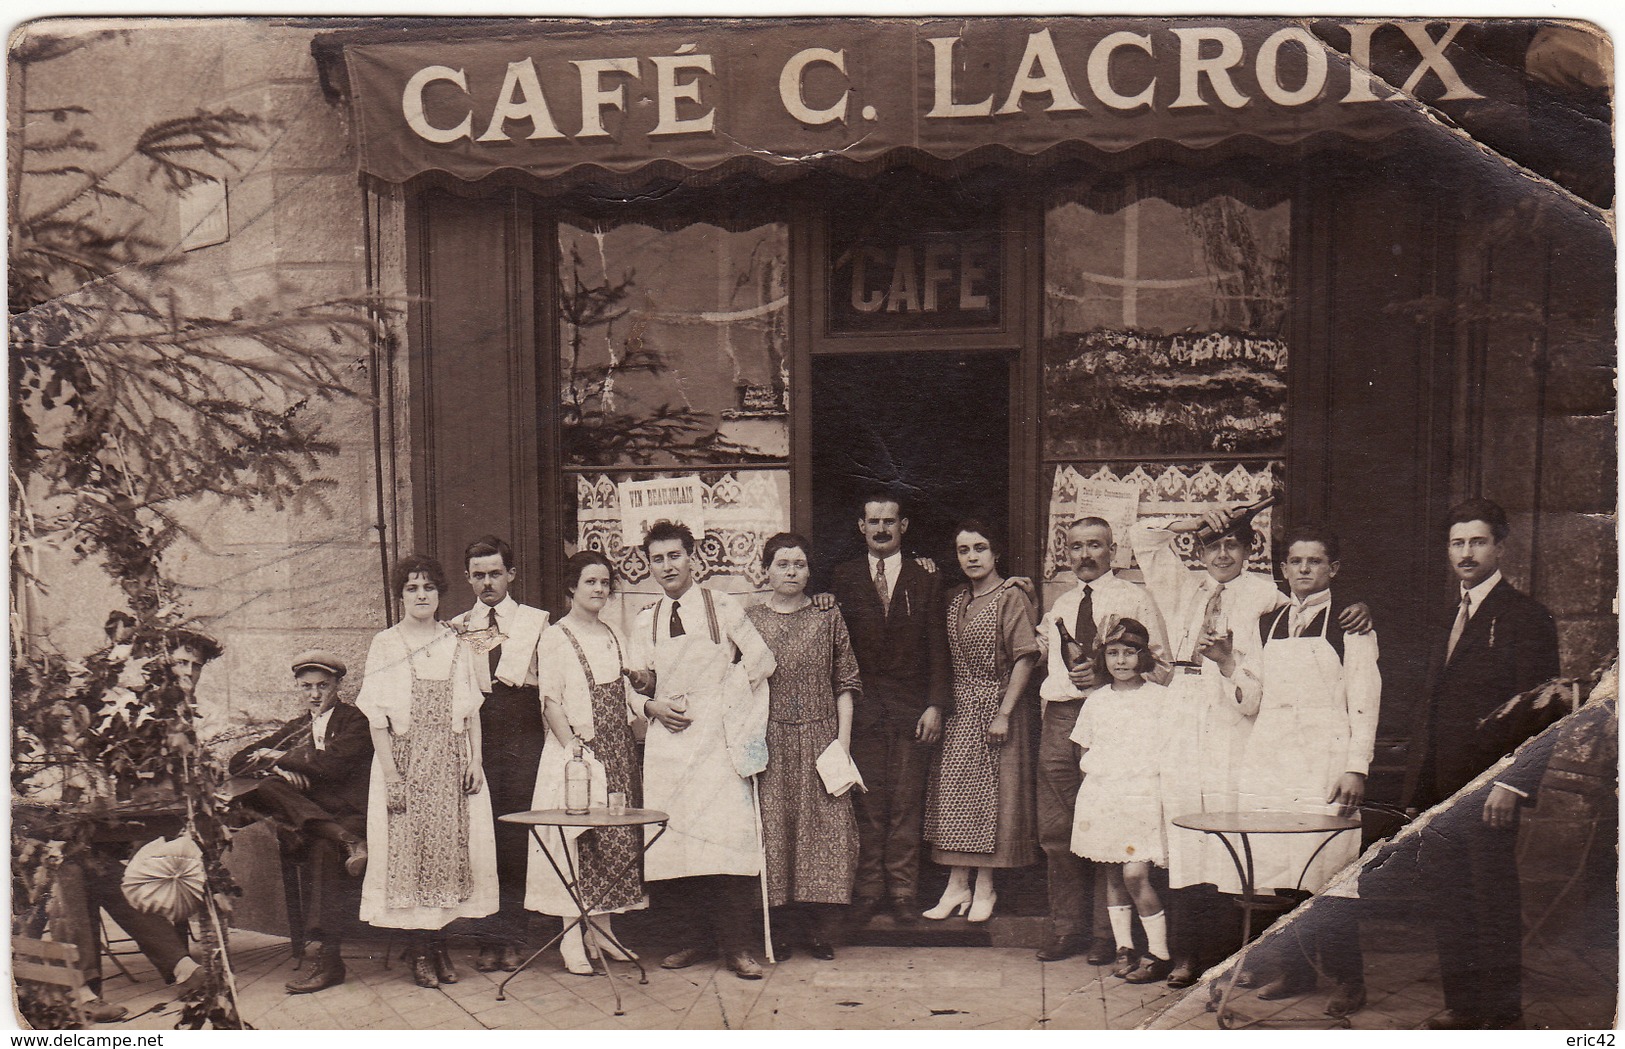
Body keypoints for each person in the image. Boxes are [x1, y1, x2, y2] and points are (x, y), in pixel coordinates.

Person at [1129, 507, 1371, 987]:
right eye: (1212, 544)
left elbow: (1318, 608)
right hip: (1184, 711)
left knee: (1232, 844)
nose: (1221, 553)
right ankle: (1186, 953)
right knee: (1184, 834)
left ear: (1250, 551)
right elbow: (1141, 537)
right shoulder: (1187, 587)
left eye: (1232, 544)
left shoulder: (1268, 598)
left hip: (1236, 722)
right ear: (1198, 550)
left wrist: (1364, 608)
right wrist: (1190, 522)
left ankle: (1233, 958)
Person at [1400, 499, 1560, 1030]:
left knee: (1491, 898)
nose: (1466, 553)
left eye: (1477, 542)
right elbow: (1431, 701)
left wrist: (1513, 784)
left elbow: (1547, 710)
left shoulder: (1526, 618)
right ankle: (1463, 1007)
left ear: (1500, 546)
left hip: (1490, 788)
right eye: (1457, 543)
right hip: (1440, 786)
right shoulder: (1445, 616)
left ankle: (1500, 1014)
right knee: (1450, 896)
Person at [1211, 525, 1380, 1017]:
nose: (1304, 569)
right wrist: (1226, 665)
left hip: (1324, 762)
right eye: (1296, 562)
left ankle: (1350, 978)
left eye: (1315, 561)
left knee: (1332, 870)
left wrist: (1356, 767)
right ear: (1282, 570)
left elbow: (1365, 699)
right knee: (1281, 867)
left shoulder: (1350, 622)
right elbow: (1252, 701)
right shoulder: (1268, 622)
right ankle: (1297, 969)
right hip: (1273, 760)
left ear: (1333, 569)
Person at [629, 521, 776, 980]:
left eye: (675, 555)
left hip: (717, 743)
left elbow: (761, 661)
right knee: (677, 843)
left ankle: (738, 947)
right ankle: (690, 941)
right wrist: (649, 703)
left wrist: (729, 701)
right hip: (669, 747)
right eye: (658, 559)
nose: (667, 566)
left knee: (727, 842)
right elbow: (632, 684)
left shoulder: (723, 606)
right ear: (649, 565)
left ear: (693, 558)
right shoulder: (644, 619)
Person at [356, 555, 498, 988]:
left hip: (453, 762)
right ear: (401, 595)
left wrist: (475, 761)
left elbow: (473, 711)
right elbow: (376, 719)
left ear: (440, 595)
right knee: (410, 856)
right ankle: (419, 949)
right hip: (403, 762)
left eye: (429, 588)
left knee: (449, 853)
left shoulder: (457, 641)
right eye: (413, 588)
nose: (422, 596)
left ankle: (437, 944)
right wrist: (392, 776)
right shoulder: (386, 643)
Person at [1035, 518, 1169, 964]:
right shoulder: (1060, 603)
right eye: (1076, 547)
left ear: (1114, 551)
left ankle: (1104, 936)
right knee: (1058, 827)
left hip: (1115, 716)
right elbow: (1037, 652)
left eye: (1095, 546)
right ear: (1065, 553)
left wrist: (1109, 674)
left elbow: (1163, 667)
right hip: (1060, 716)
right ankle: (1066, 928)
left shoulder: (1136, 598)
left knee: (1109, 825)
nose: (1085, 555)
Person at [524, 551, 646, 976]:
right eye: (590, 582)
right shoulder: (556, 637)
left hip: (617, 751)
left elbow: (629, 695)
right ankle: (571, 939)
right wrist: (574, 749)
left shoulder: (614, 635)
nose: (599, 589)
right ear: (571, 587)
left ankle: (603, 933)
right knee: (574, 843)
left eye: (604, 582)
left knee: (610, 845)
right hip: (576, 755)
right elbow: (550, 702)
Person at [831, 493, 950, 926]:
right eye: (873, 521)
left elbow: (940, 645)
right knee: (867, 804)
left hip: (910, 710)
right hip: (861, 712)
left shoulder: (927, 577)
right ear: (861, 526)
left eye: (890, 521)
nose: (882, 528)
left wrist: (936, 704)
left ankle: (902, 891)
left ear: (904, 526)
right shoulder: (841, 579)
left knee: (905, 803)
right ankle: (867, 890)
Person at [227, 650, 372, 994]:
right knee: (271, 786)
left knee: (316, 842)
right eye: (306, 687)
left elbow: (332, 767)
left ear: (338, 685)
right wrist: (281, 766)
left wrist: (286, 759)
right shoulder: (295, 729)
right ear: (298, 688)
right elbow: (238, 762)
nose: (315, 694)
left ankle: (328, 958)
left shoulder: (355, 721)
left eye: (323, 685)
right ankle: (345, 842)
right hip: (322, 825)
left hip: (349, 814)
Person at [746, 533, 862, 961]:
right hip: (770, 738)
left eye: (798, 564)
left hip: (820, 738)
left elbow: (845, 683)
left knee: (825, 831)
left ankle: (819, 930)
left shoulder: (828, 618)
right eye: (782, 564)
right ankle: (781, 928)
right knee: (775, 830)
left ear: (810, 570)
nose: (791, 571)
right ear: (766, 570)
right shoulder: (751, 620)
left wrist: (842, 746)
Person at [921, 520, 1040, 922]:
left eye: (980, 548)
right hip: (961, 709)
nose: (972, 557)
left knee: (994, 799)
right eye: (963, 550)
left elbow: (1025, 656)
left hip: (998, 707)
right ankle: (956, 887)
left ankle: (986, 888)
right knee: (957, 798)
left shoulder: (1011, 596)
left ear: (996, 553)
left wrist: (1004, 713)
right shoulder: (956, 599)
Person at [448, 535, 551, 973]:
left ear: (511, 574)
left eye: (494, 573)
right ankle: (486, 937)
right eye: (478, 575)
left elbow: (551, 684)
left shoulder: (534, 623)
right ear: (467, 578)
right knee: (479, 838)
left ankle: (512, 935)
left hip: (522, 733)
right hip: (476, 736)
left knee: (514, 838)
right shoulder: (457, 626)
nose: (487, 582)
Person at [1069, 619, 1173, 983]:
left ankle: (1159, 953)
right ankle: (1124, 947)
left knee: (1135, 873)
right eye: (1113, 653)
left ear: (1143, 657)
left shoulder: (1160, 698)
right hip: (1105, 797)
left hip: (1144, 796)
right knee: (1113, 874)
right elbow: (1085, 749)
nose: (1121, 661)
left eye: (1130, 653)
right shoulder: (1096, 701)